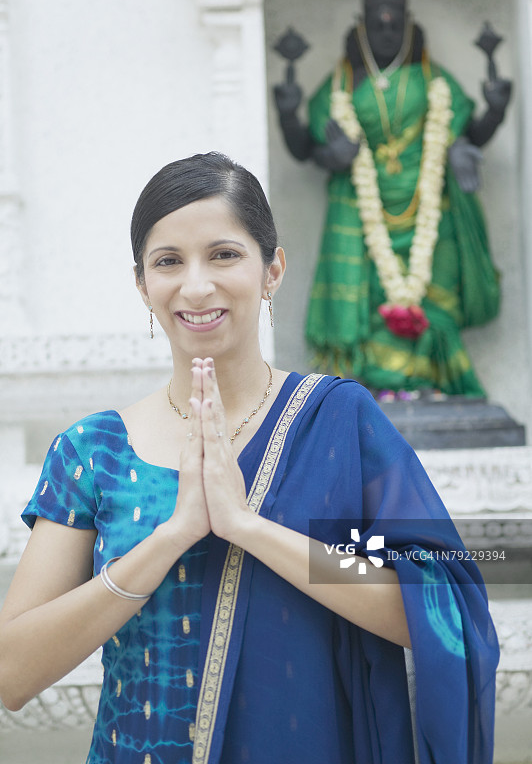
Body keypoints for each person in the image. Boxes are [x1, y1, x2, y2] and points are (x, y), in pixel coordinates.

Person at [0, 152, 498, 764]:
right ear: (142, 284)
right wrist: (171, 539)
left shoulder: (336, 422)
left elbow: (433, 608)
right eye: (168, 262)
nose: (197, 284)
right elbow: (13, 673)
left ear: (272, 270)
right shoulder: (93, 451)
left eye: (225, 254)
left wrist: (247, 528)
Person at [273, 0, 511, 396]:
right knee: (369, 300)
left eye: (395, 15)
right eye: (378, 14)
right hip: (363, 215)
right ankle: (378, 392)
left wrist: (495, 111)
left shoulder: (432, 80)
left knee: (437, 295)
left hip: (429, 210)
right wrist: (289, 115)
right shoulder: (343, 83)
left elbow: (468, 133)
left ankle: (431, 385)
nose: (386, 24)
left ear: (408, 23)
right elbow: (307, 149)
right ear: (362, 23)